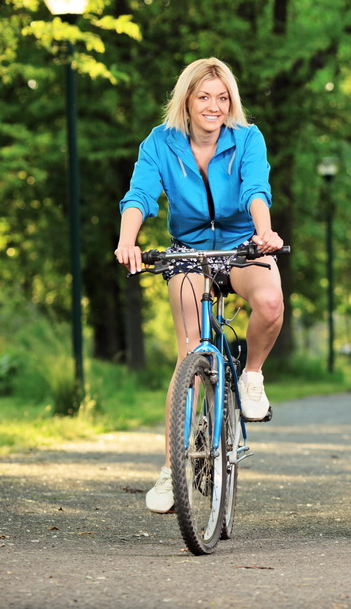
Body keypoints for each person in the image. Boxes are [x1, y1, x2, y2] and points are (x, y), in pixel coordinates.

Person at [114, 58, 285, 513]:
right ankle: (173, 470)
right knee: (189, 351)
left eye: (222, 97)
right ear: (186, 101)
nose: (213, 106)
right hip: (188, 250)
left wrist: (263, 234)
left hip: (241, 245)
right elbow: (140, 195)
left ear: (232, 103)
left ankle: (251, 376)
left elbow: (256, 190)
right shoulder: (160, 142)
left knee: (269, 303)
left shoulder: (247, 139)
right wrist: (127, 240)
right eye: (204, 97)